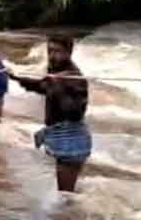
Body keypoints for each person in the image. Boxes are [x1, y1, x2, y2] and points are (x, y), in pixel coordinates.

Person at [8, 35, 91, 192]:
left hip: (72, 139)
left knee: (66, 196)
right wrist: (15, 77)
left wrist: (59, 85)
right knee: (68, 192)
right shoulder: (56, 71)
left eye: (58, 51)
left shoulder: (75, 78)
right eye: (50, 51)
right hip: (62, 136)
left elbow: (74, 112)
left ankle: (68, 217)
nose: (52, 56)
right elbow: (42, 86)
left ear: (69, 52)